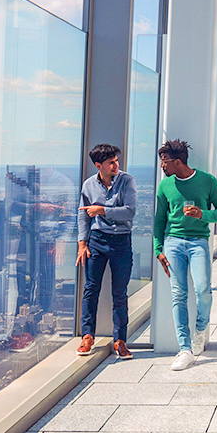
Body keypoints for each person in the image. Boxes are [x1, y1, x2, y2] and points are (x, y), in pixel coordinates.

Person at [154, 139, 217, 372]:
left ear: (177, 161)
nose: (162, 166)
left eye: (164, 162)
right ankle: (184, 348)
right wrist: (158, 249)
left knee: (203, 290)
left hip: (198, 242)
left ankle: (200, 331)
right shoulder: (165, 185)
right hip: (173, 242)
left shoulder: (208, 181)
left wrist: (201, 214)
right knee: (178, 294)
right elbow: (159, 219)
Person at [76, 143, 137, 360]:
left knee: (119, 293)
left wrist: (102, 210)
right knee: (91, 289)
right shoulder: (88, 185)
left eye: (116, 161)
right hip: (97, 242)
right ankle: (87, 336)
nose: (116, 165)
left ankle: (120, 340)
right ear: (98, 165)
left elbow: (129, 212)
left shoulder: (127, 180)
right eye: (111, 162)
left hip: (121, 242)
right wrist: (82, 243)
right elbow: (83, 215)